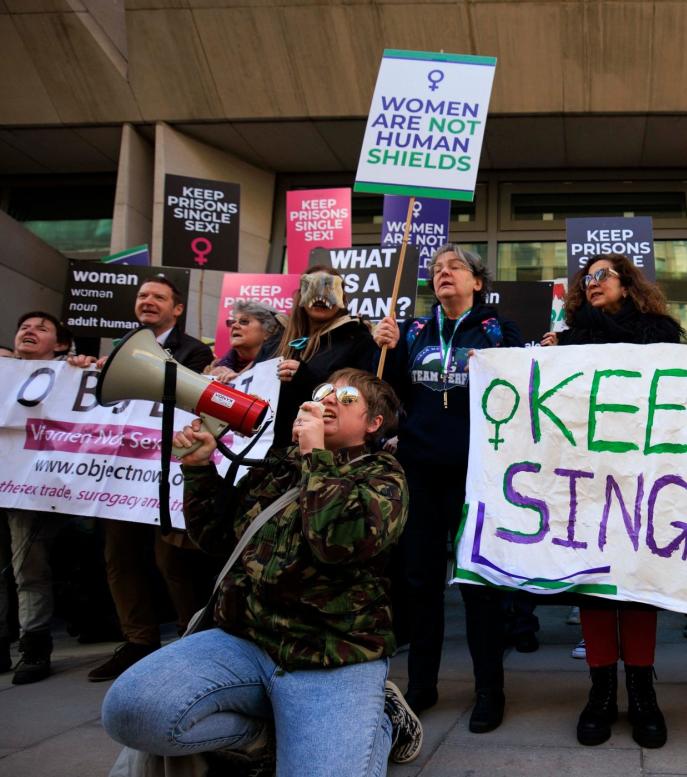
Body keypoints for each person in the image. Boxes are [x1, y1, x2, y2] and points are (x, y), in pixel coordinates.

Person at [101, 368, 421, 774]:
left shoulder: (383, 477)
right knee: (130, 713)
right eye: (322, 392)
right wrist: (199, 469)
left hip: (332, 653)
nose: (327, 400)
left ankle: (382, 720)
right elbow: (219, 539)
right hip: (245, 639)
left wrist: (315, 457)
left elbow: (337, 544)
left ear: (373, 424)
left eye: (345, 399)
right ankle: (262, 740)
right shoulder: (279, 466)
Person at [373, 244, 523, 733]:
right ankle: (422, 684)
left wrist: (501, 362)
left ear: (477, 281)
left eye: (455, 267)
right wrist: (385, 349)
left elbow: (523, 391)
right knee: (419, 581)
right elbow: (391, 393)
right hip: (419, 470)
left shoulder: (499, 330)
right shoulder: (414, 330)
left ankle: (489, 690)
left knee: (479, 583)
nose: (444, 274)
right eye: (437, 270)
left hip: (476, 472)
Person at [541, 253, 684, 748]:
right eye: (587, 278)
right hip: (589, 477)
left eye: (603, 274)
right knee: (595, 582)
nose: (592, 282)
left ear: (628, 283)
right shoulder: (570, 335)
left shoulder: (661, 330)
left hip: (646, 476)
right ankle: (601, 692)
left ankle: (643, 692)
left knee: (638, 581)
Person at [69, 276, 219, 682]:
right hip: (123, 478)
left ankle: (194, 639)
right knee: (119, 556)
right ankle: (138, 641)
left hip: (165, 474)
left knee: (171, 558)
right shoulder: (120, 347)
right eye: (142, 296)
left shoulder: (193, 351)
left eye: (158, 297)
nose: (147, 301)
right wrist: (83, 371)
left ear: (178, 309)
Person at [0, 312, 73, 683]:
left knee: (28, 567)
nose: (29, 331)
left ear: (60, 345)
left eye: (41, 329)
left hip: (29, 485)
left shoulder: (70, 377)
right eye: (23, 326)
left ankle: (34, 644)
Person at [272, 266, 378, 450]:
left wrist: (305, 378)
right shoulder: (279, 337)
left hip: (324, 450)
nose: (321, 295)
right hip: (274, 449)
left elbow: (359, 395)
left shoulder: (357, 340)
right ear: (301, 296)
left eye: (330, 287)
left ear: (342, 297)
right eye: (312, 287)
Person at [207, 299, 284, 382]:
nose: (234, 326)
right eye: (232, 322)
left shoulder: (281, 369)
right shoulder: (215, 367)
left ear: (268, 331)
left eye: (244, 321)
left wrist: (238, 381)